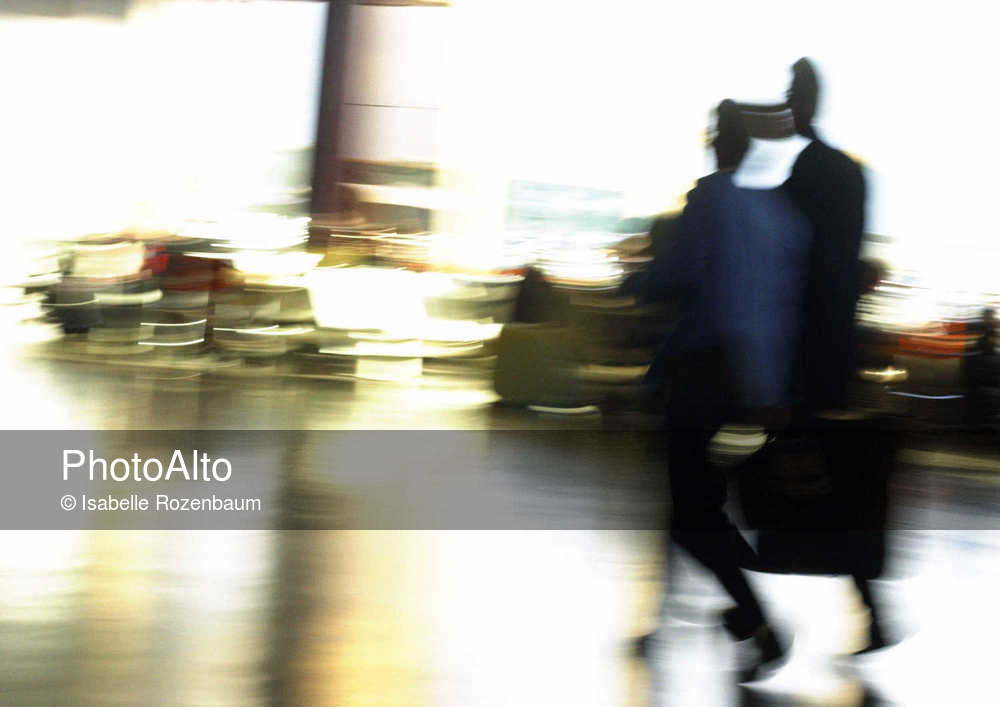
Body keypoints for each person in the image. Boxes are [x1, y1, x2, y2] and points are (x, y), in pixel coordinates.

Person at [636, 100, 812, 678]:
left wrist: (638, 280)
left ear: (717, 143)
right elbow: (778, 307)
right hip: (754, 388)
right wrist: (772, 388)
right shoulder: (780, 214)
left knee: (693, 513)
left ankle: (756, 618)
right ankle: (730, 615)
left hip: (703, 376)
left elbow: (679, 274)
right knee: (696, 507)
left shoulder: (712, 198)